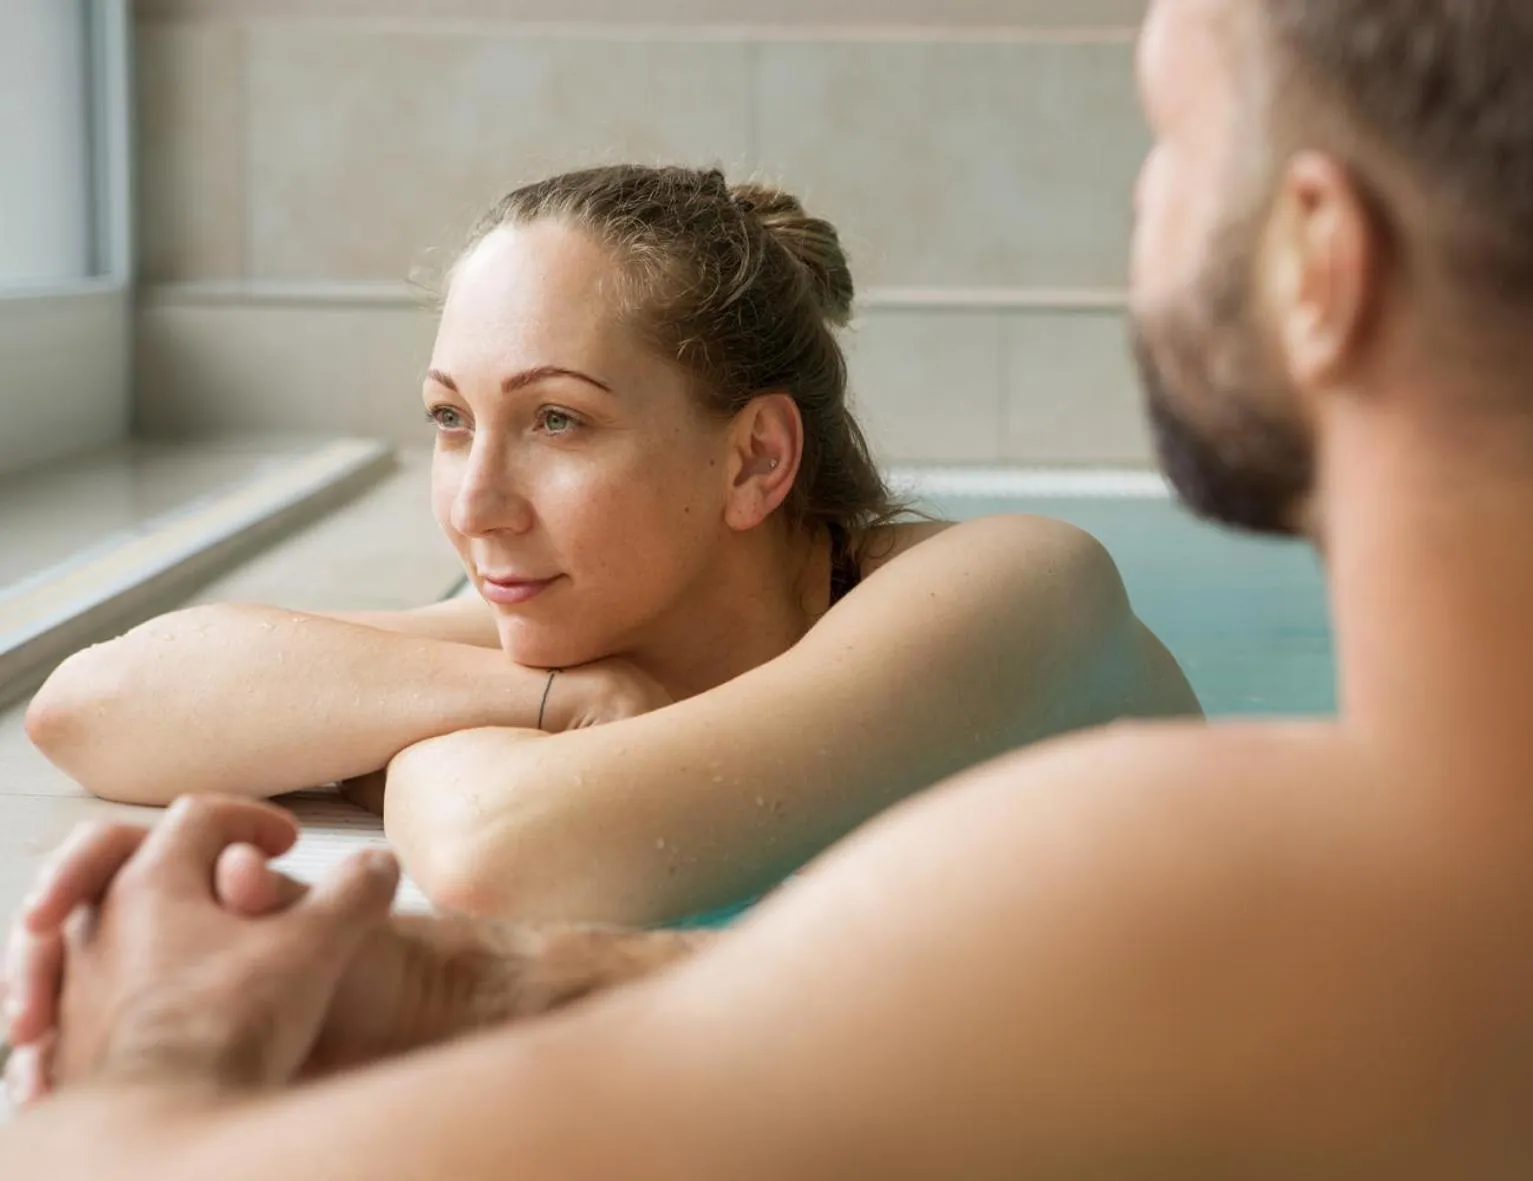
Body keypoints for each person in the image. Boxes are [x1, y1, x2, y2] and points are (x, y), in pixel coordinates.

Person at [6, 0, 1533, 1174]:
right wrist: (503, 983)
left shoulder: (1151, 776)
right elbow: (1058, 1011)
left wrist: (151, 1058)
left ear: (1320, 258)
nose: (479, 492)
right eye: (453, 416)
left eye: (1161, 135)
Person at [22, 165, 1197, 926]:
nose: (475, 503)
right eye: (449, 418)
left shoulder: (1017, 589)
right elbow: (91, 704)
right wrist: (536, 700)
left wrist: (406, 748)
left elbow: (507, 850)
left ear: (753, 461)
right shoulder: (594, 628)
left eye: (557, 420)